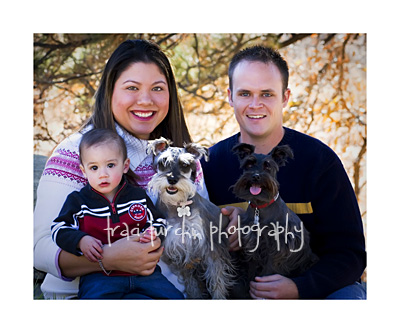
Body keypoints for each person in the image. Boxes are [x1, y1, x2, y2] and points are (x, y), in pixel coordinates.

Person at [34, 39, 208, 299]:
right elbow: (39, 248)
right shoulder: (74, 153)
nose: (146, 99)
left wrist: (224, 226)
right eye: (132, 88)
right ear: (110, 91)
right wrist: (107, 258)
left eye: (157, 88)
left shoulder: (182, 160)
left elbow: (200, 231)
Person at [201, 45, 366, 299]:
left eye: (267, 94)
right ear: (230, 96)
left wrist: (300, 287)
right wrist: (222, 229)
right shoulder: (210, 164)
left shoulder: (319, 161)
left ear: (285, 97)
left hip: (317, 292)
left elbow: (349, 253)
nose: (255, 104)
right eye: (245, 93)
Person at [51, 128, 183, 299]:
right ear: (84, 171)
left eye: (111, 165)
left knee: (175, 298)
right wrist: (80, 241)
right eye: (94, 168)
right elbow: (59, 228)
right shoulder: (79, 201)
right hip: (100, 276)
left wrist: (153, 233)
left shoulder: (138, 197)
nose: (103, 174)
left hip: (145, 274)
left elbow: (159, 221)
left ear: (125, 166)